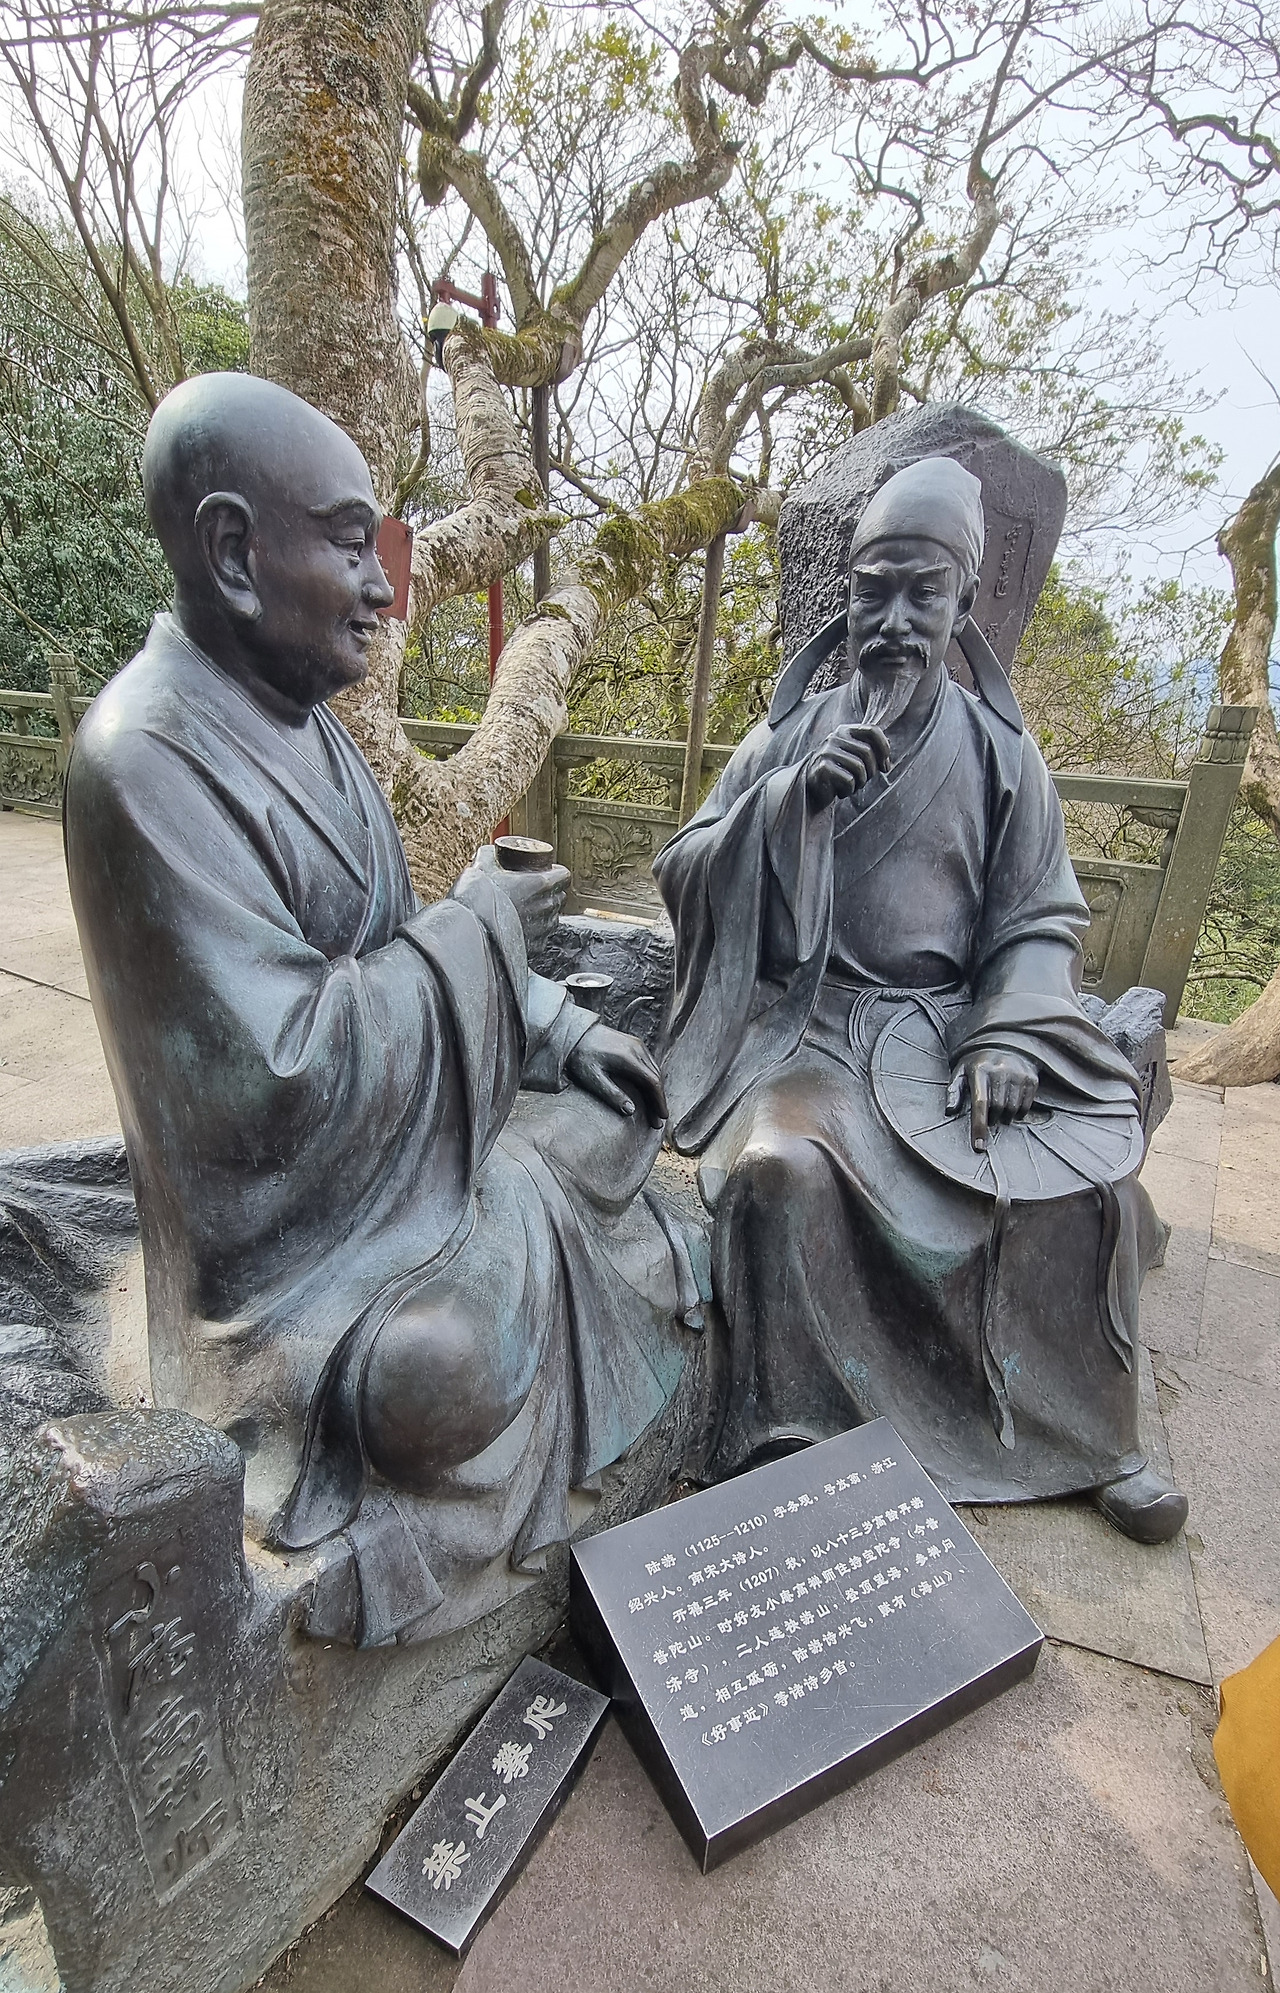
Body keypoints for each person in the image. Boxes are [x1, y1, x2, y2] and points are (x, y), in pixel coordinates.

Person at [64, 372, 704, 1647]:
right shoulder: (142, 759)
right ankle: (526, 1267)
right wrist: (481, 930)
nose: (383, 589)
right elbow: (269, 1080)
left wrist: (560, 1030)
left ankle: (533, 1221)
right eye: (351, 546)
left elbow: (390, 941)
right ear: (235, 554)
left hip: (396, 1174)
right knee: (436, 1374)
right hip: (285, 1266)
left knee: (611, 1121)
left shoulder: (313, 732)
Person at [654, 454, 1186, 1543]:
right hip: (809, 1032)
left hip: (945, 1032)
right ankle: (789, 1437)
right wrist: (784, 803)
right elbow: (683, 868)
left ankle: (1087, 1443)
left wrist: (1007, 1036)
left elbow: (1037, 921)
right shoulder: (788, 734)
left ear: (963, 601)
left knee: (1085, 1194)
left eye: (923, 594)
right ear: (847, 596)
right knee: (778, 1176)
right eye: (874, 593)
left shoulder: (1002, 757)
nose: (893, 621)